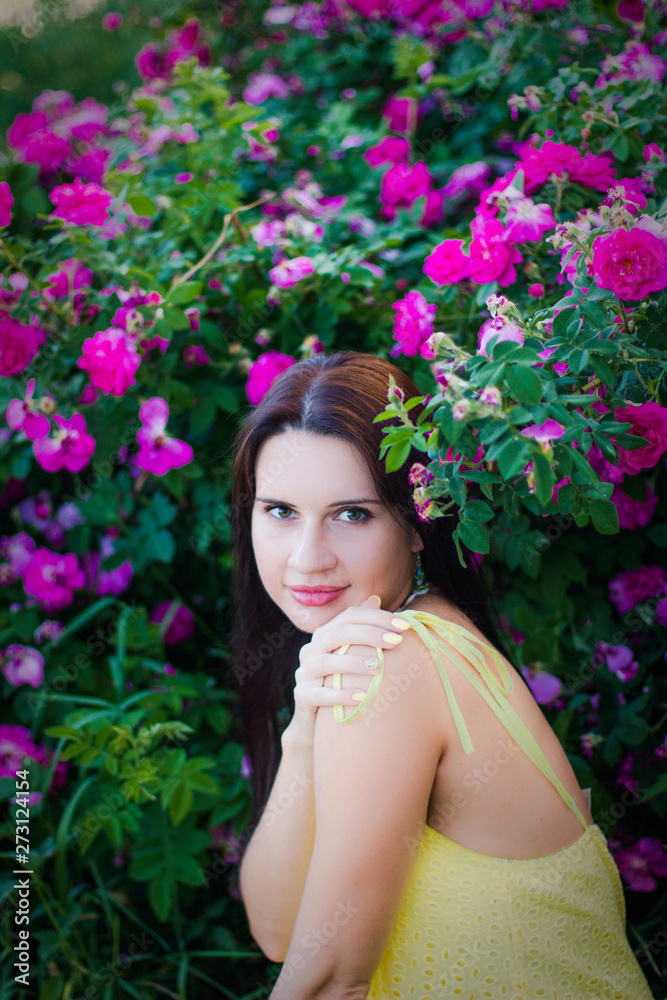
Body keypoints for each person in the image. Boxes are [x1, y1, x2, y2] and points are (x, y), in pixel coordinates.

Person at [229, 350, 653, 999]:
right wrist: (302, 736)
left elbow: (327, 980)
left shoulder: (394, 663)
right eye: (280, 511)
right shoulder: (415, 638)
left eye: (352, 514)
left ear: (418, 523)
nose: (306, 558)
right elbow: (278, 931)